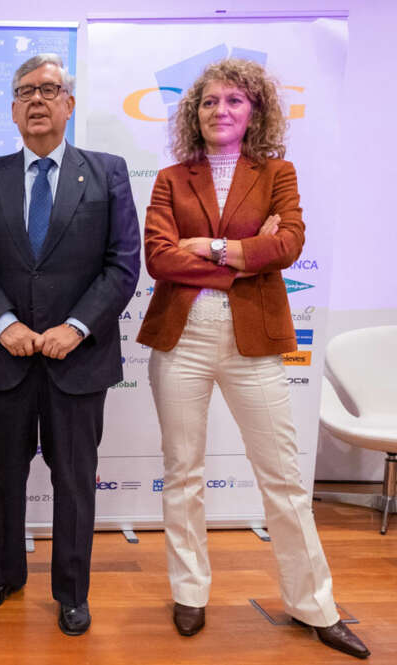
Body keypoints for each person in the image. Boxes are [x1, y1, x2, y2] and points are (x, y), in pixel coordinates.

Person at [137, 58, 369, 659]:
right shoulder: (169, 177)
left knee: (285, 479)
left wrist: (211, 246)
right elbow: (160, 259)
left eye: (234, 101)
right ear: (195, 113)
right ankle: (189, 591)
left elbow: (288, 245)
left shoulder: (278, 172)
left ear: (255, 110)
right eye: (210, 102)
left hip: (255, 340)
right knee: (183, 473)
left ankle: (313, 604)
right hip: (180, 340)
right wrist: (246, 254)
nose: (221, 111)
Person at [0, 53, 140, 636]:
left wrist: (76, 327)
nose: (37, 99)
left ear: (69, 104)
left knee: (75, 479)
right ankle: (7, 572)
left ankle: (72, 590)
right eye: (25, 90)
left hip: (77, 362)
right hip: (5, 360)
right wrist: (3, 322)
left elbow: (123, 264)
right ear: (11, 109)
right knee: (4, 476)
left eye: (50, 89)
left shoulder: (107, 172)